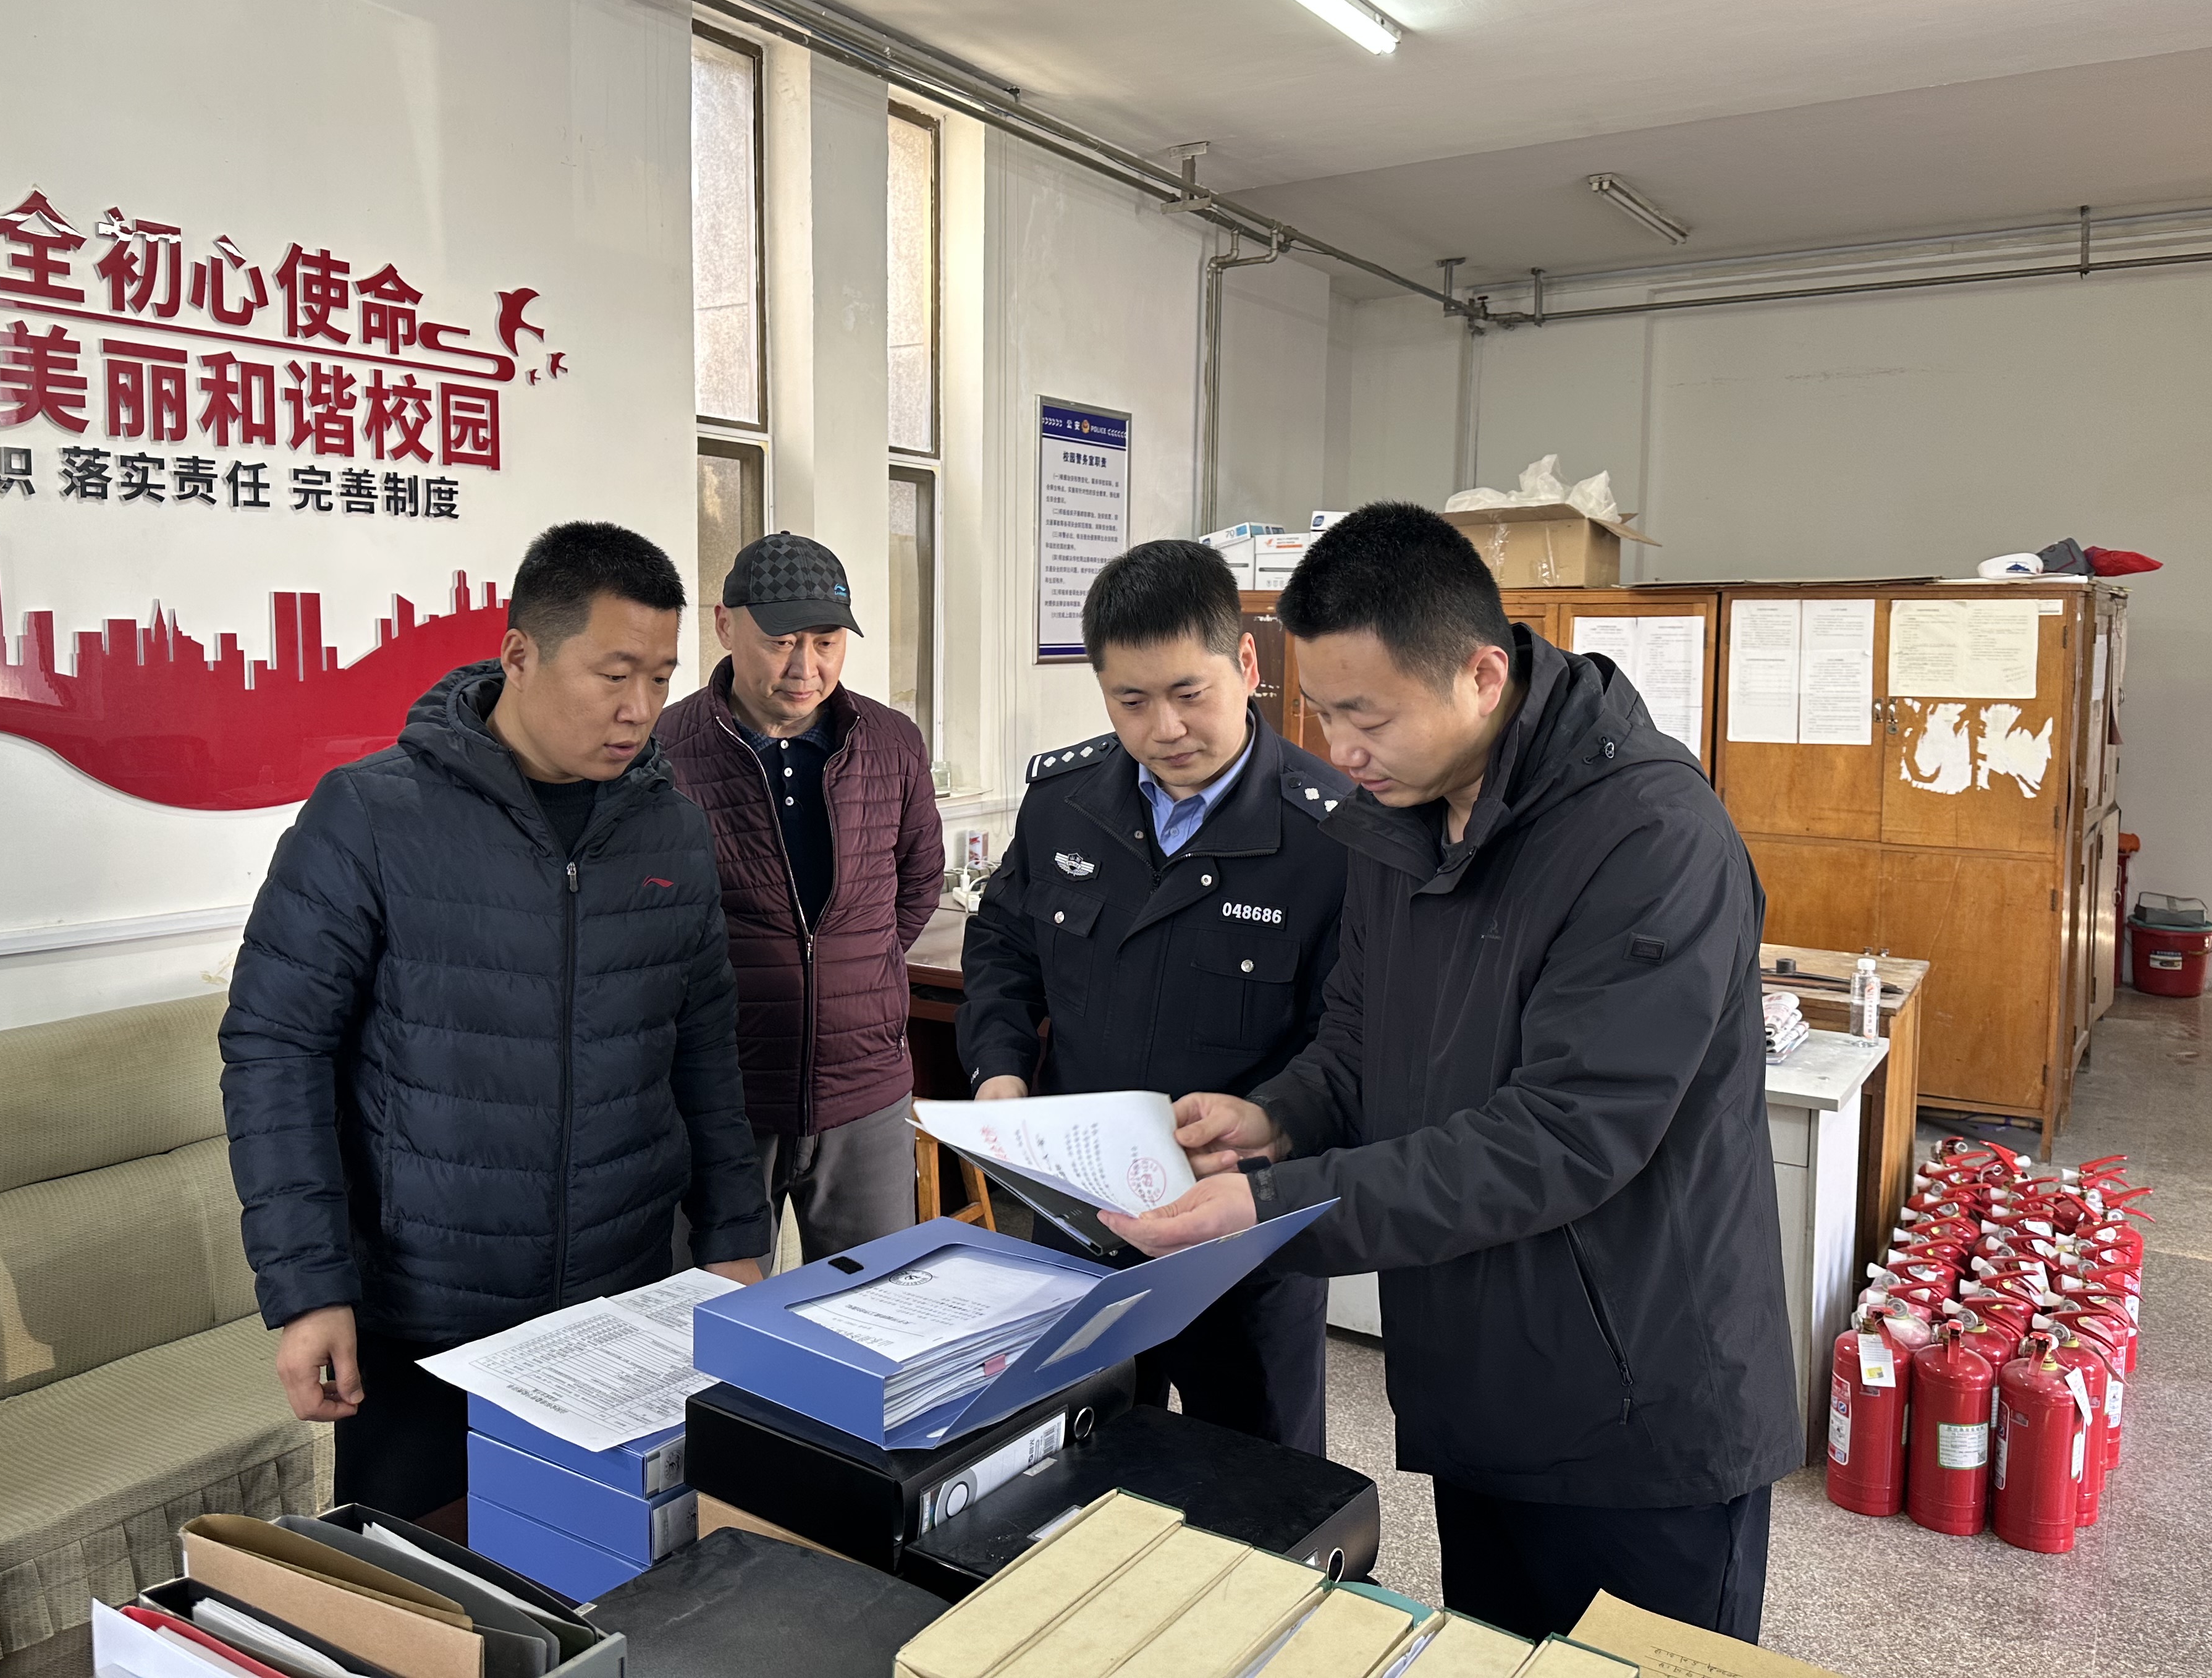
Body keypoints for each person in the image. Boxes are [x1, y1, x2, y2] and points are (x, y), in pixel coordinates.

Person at [1100, 502, 1800, 1643]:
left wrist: (1273, 1207)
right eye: (1322, 713)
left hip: (1637, 1407)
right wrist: (1277, 1118)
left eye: (1365, 715)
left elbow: (1562, 1135)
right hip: (1478, 1382)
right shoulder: (1400, 814)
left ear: (1481, 676)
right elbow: (1360, 1036)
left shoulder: (1651, 837)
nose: (1339, 749)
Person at [219, 521, 773, 1527]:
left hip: (622, 1305)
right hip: (429, 1317)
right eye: (614, 674)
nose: (640, 708)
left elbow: (702, 1048)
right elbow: (275, 1048)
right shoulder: (371, 816)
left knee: (618, 1570)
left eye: (659, 678)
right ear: (520, 654)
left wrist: (736, 1236)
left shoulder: (671, 830)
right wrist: (308, 1288)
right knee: (425, 1583)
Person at [958, 538, 1352, 1454]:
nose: (1165, 728)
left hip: (1242, 1241)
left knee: (1251, 1485)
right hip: (1081, 1223)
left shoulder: (1331, 836)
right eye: (1131, 701)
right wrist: (998, 1069)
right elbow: (1004, 946)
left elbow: (1350, 1036)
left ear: (1246, 663)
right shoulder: (1064, 801)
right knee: (1072, 1464)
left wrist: (1273, 1125)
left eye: (1189, 693)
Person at [654, 531, 945, 1263]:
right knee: (708, 1306)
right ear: (725, 625)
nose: (805, 668)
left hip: (865, 1089)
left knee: (872, 1305)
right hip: (721, 1095)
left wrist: (855, 970)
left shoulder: (893, 742)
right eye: (781, 642)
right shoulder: (664, 751)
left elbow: (918, 882)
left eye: (826, 643)